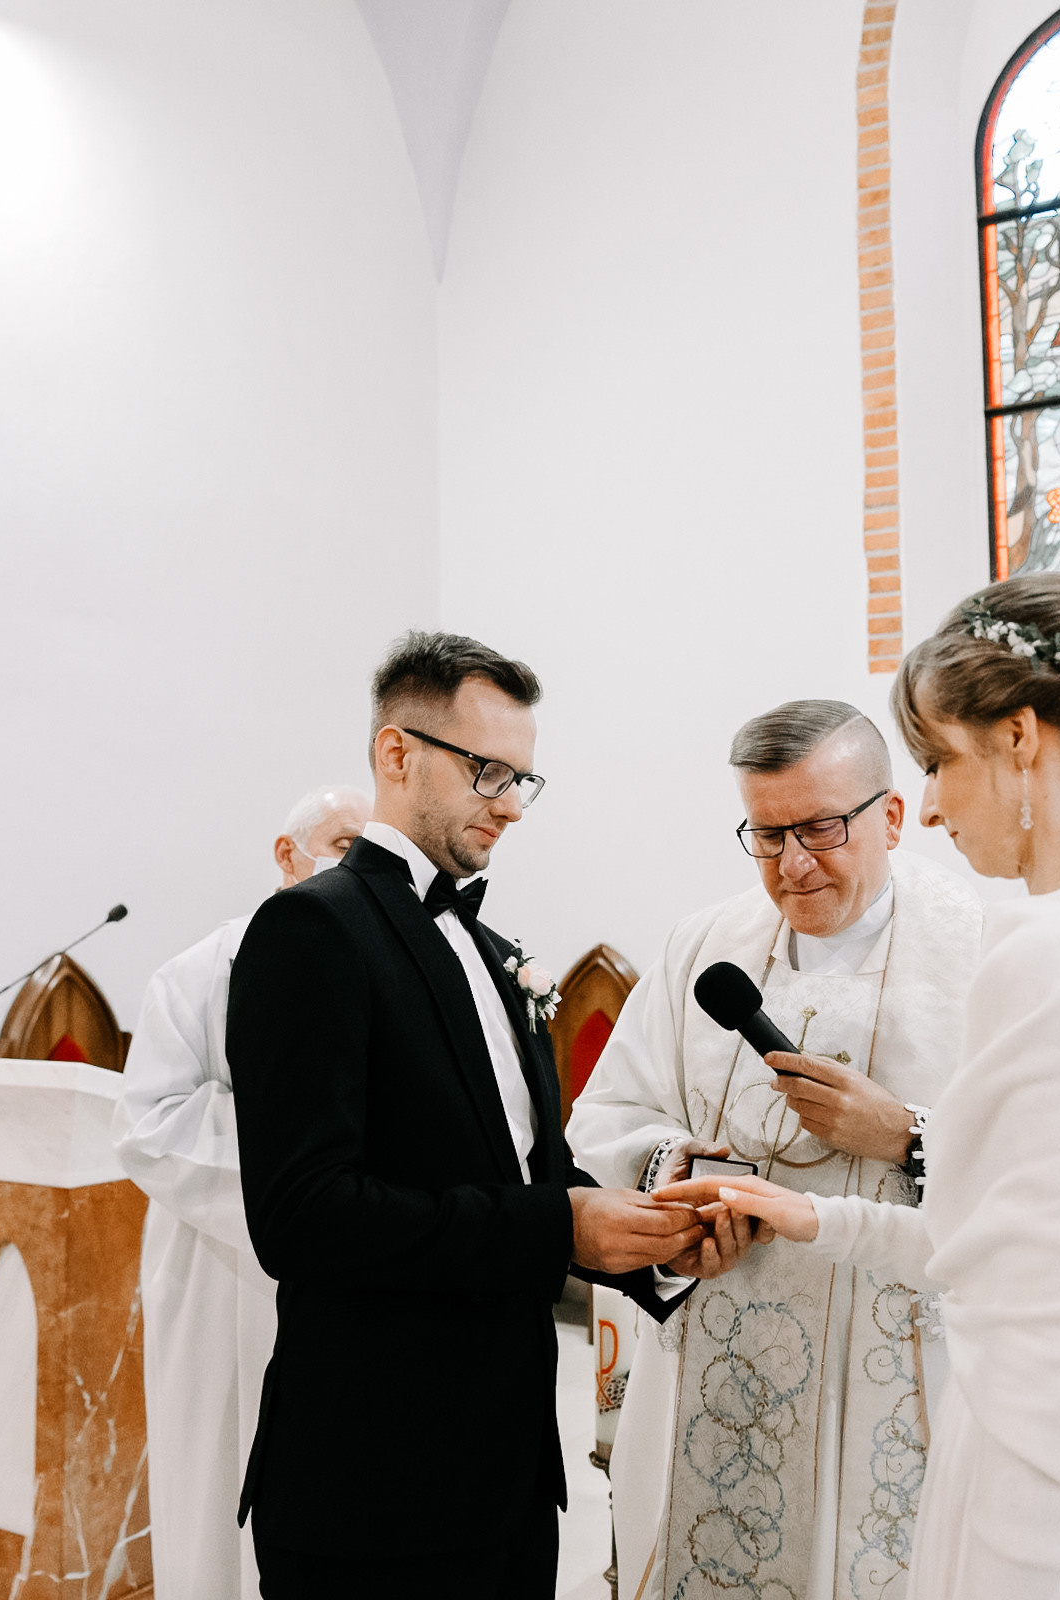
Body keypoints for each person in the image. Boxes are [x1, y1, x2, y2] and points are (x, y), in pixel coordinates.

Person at [661, 573, 1060, 1599]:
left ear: (1023, 737)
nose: (937, 806)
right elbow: (1020, 1250)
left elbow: (1053, 1351)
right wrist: (816, 1216)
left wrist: (1007, 1564)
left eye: (942, 760)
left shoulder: (1044, 958)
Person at [227, 631, 708, 1599]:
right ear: (398, 754)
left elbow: (524, 1172)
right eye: (488, 770)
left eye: (525, 778)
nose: (511, 804)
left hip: (511, 1466)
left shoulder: (489, 948)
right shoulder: (311, 928)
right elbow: (303, 1215)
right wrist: (556, 1224)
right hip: (374, 1476)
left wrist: (641, 1225)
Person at [567, 700, 982, 1599]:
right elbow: (605, 1116)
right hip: (717, 1343)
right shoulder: (703, 947)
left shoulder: (983, 953)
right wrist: (675, 1174)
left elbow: (1045, 1168)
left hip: (899, 1366)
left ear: (894, 817)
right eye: (767, 836)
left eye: (823, 828)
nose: (794, 865)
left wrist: (907, 1135)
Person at [112, 782, 372, 1600]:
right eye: (340, 844)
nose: (354, 865)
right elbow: (150, 1125)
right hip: (219, 1269)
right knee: (214, 1462)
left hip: (350, 1268)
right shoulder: (196, 974)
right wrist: (304, 1163)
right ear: (285, 855)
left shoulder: (380, 965)